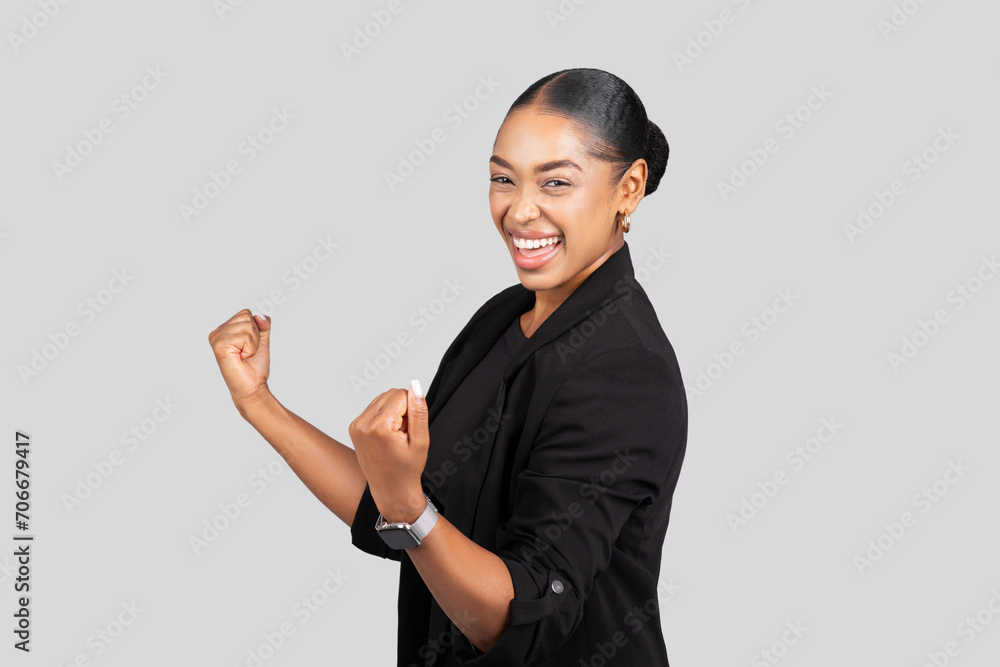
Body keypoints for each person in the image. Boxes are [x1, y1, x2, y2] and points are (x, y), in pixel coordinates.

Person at [208, 67, 687, 666]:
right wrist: (259, 403)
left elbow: (526, 620)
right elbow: (407, 526)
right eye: (503, 179)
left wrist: (407, 505)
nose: (520, 211)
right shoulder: (504, 317)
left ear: (629, 188)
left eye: (556, 183)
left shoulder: (624, 370)